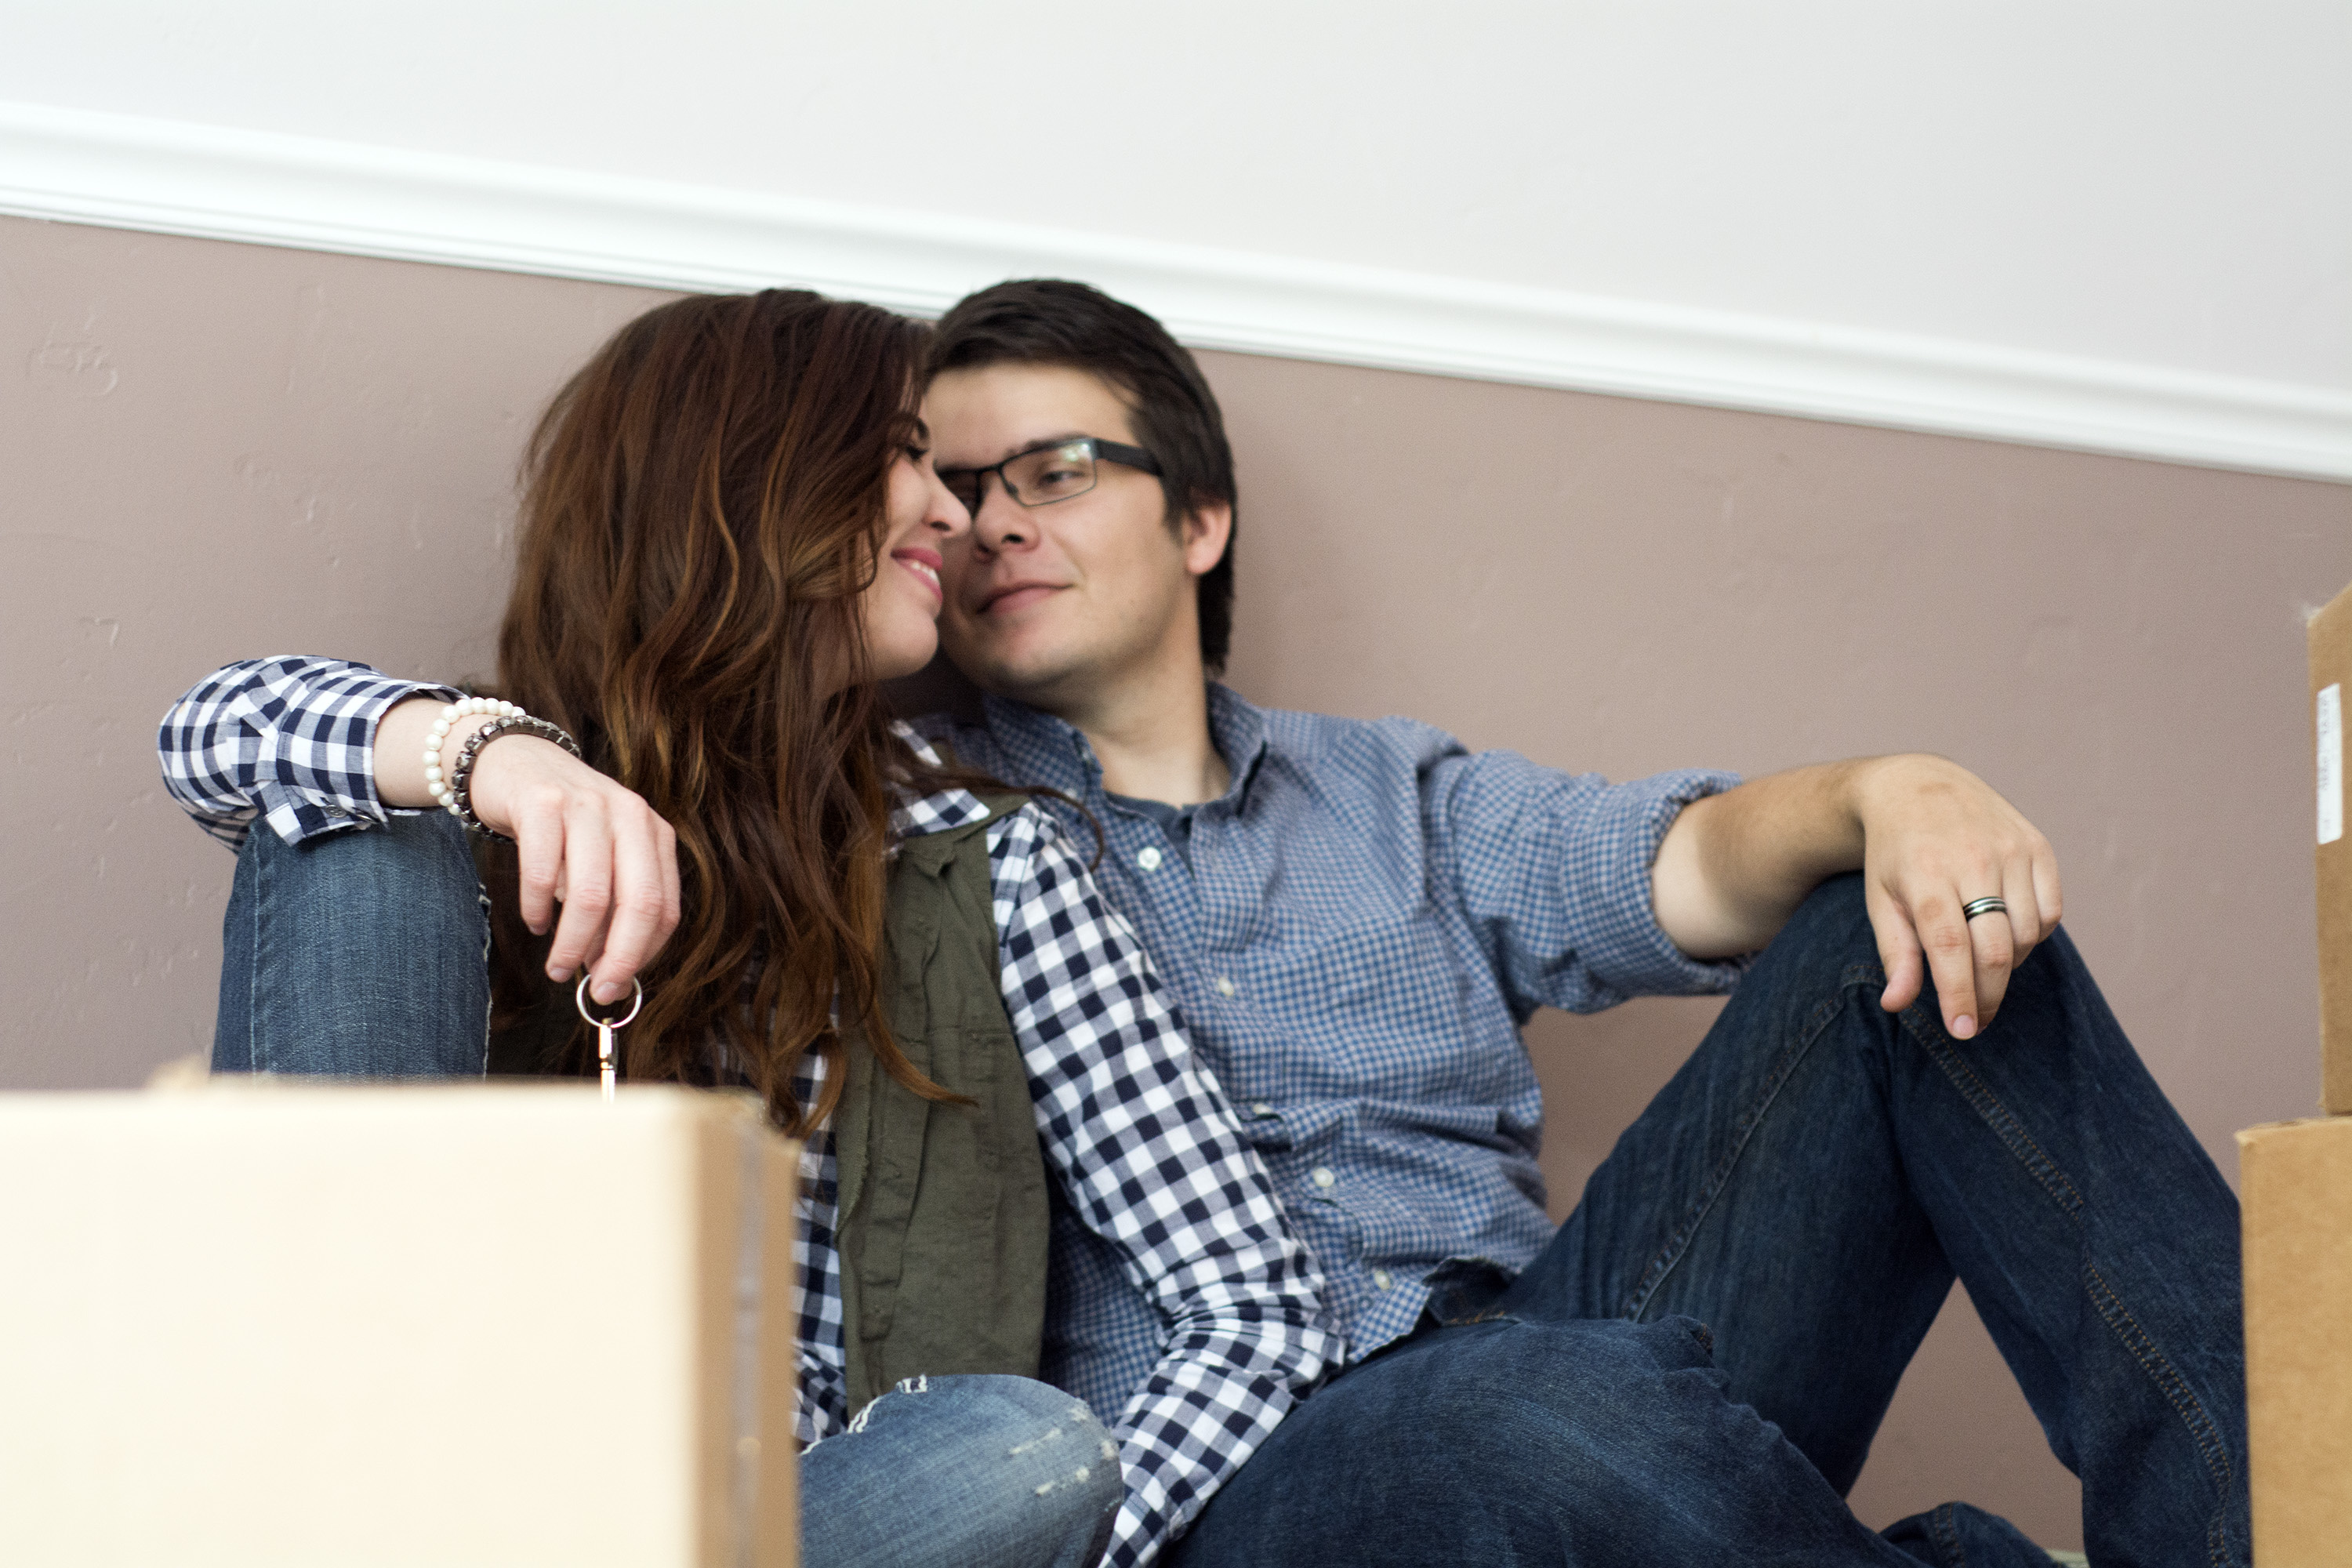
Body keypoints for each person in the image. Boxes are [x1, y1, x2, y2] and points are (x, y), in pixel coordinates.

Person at [887, 280, 2244, 1568]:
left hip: (1567, 1369)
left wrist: (1899, 793)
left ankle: (2272, 1526)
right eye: (953, 491)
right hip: (1242, 1480)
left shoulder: (1395, 795)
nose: (992, 523)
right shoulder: (910, 842)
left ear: (1199, 520)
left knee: (1919, 926)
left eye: (1055, 471)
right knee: (1527, 1414)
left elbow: (1687, 860)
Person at [157, 289, 1336, 1568]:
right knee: (361, 841)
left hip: (784, 1528)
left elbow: (1253, 1308)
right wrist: (493, 760)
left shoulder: (986, 863)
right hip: (441, 1491)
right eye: (904, 457)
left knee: (1028, 1448)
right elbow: (211, 732)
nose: (955, 513)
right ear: (760, 480)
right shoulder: (484, 799)